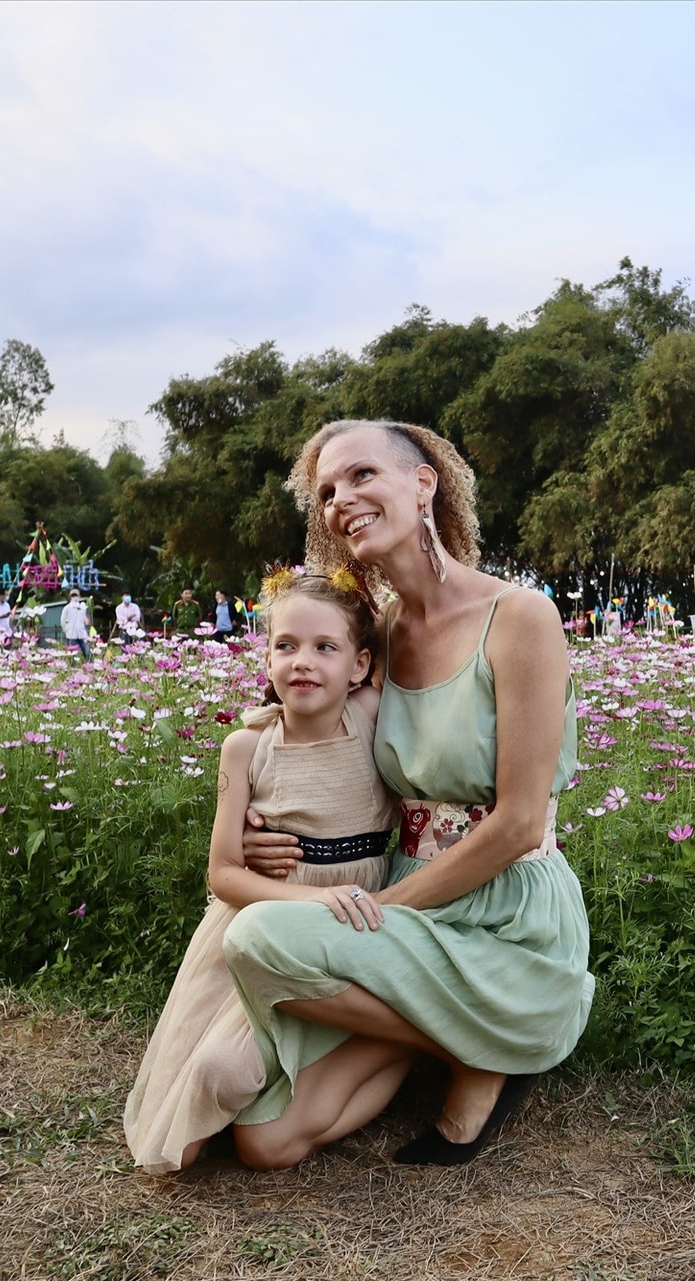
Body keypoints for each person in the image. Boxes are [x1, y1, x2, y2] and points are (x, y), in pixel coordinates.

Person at [223, 419, 592, 1169]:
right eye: (327, 490)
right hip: (408, 898)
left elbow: (521, 822)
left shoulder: (519, 616)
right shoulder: (381, 634)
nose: (339, 500)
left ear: (423, 484)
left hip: (508, 911)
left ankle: (497, 1046)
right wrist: (264, 816)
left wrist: (381, 916)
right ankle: (469, 1045)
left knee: (255, 936)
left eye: (362, 475)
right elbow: (332, 737)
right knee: (264, 1142)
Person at [124, 571, 398, 1174]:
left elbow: (407, 628)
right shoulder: (246, 748)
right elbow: (222, 874)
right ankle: (260, 1078)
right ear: (266, 656)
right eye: (286, 645)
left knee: (254, 1133)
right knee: (197, 1113)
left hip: (350, 921)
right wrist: (305, 899)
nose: (303, 662)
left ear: (359, 666)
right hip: (261, 921)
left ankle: (398, 1053)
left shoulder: (372, 714)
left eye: (325, 647)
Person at [60, 590, 92, 661]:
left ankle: (90, 663)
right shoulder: (67, 608)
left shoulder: (83, 607)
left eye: (76, 596)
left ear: (79, 596)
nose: (75, 598)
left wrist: (87, 621)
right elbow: (63, 620)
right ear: (70, 597)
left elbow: (85, 619)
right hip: (71, 634)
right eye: (73, 596)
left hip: (81, 633)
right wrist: (66, 630)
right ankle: (72, 666)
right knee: (72, 653)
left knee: (86, 651)